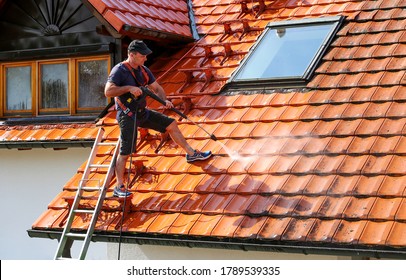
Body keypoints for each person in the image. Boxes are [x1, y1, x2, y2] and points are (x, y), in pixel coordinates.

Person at [105, 40, 212, 197]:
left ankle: (191, 154)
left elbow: (157, 88)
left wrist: (165, 101)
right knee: (126, 151)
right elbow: (108, 92)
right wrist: (129, 88)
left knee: (171, 124)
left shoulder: (144, 70)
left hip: (142, 112)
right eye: (142, 56)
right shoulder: (119, 71)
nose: (145, 59)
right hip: (127, 115)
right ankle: (119, 187)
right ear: (132, 55)